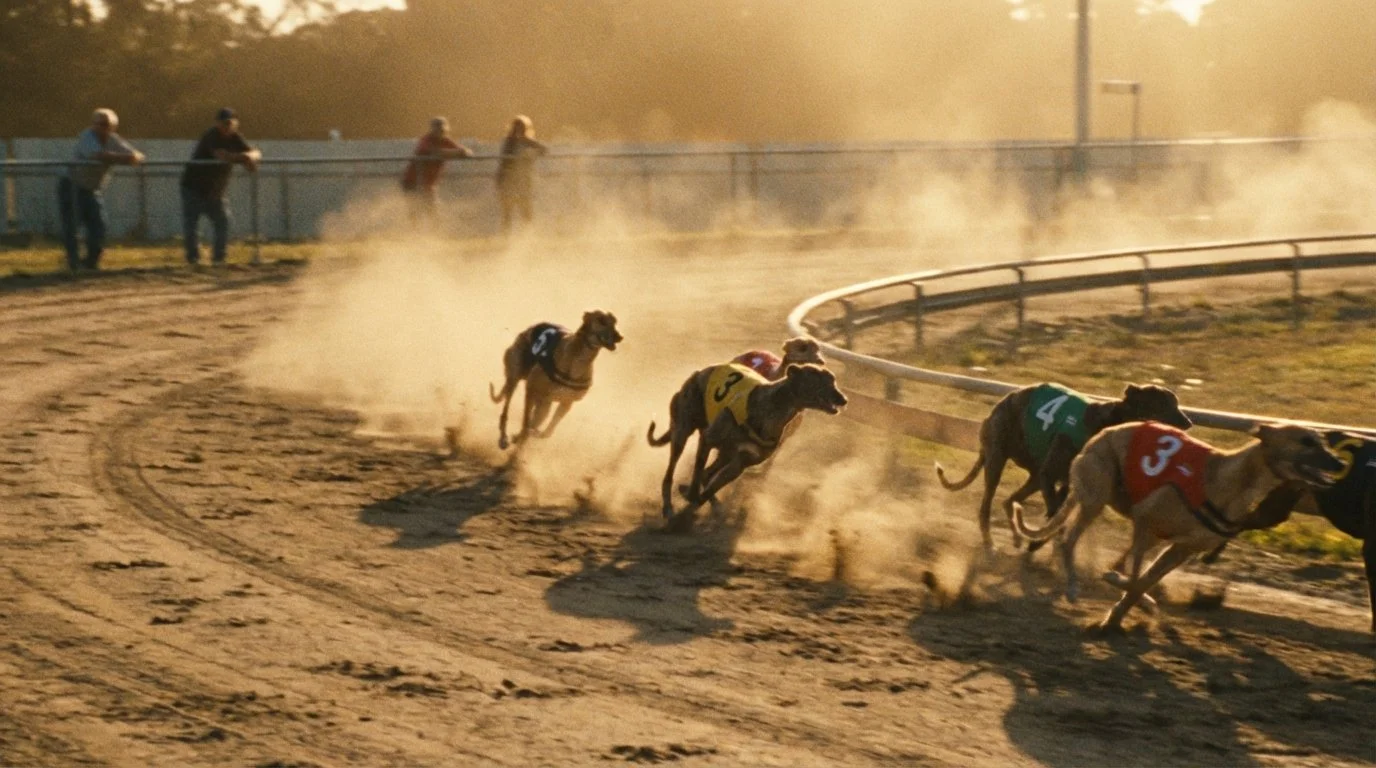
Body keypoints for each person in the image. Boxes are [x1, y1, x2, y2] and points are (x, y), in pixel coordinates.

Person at [57, 108, 145, 271]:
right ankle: (73, 264)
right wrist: (122, 158)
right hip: (72, 186)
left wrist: (124, 157)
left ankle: (90, 263)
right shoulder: (87, 136)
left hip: (91, 189)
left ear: (112, 127)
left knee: (99, 226)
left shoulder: (113, 139)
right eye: (97, 124)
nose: (100, 128)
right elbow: (97, 155)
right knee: (72, 226)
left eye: (105, 124)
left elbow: (137, 156)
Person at [180, 107, 260, 266]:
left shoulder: (236, 137)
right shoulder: (212, 135)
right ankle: (193, 260)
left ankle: (219, 259)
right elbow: (222, 156)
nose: (226, 127)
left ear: (235, 123)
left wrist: (249, 156)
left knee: (222, 222)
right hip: (193, 187)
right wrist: (243, 157)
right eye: (223, 123)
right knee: (192, 225)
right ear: (217, 123)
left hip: (215, 191)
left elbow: (256, 154)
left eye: (230, 123)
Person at [400, 117, 472, 221]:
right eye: (437, 129)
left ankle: (433, 234)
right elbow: (434, 152)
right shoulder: (426, 140)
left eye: (442, 130)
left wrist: (462, 152)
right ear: (432, 130)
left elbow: (466, 152)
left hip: (428, 184)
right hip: (412, 181)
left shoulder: (446, 141)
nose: (440, 132)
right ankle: (414, 233)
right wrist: (456, 153)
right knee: (414, 209)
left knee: (432, 211)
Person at [495, 115, 548, 233]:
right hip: (509, 180)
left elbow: (544, 150)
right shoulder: (509, 142)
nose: (519, 131)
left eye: (522, 128)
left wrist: (529, 148)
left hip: (523, 181)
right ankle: (505, 236)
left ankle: (528, 235)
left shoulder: (528, 141)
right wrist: (501, 179)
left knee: (526, 210)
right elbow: (504, 161)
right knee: (507, 211)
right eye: (517, 128)